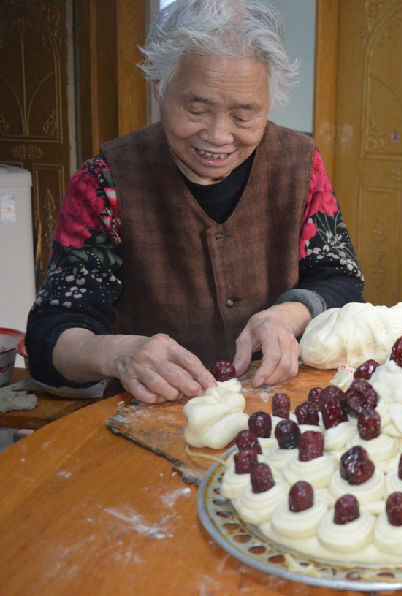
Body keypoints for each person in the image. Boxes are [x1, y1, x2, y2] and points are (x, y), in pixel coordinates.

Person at [25, 0, 364, 404]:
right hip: (148, 416)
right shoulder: (106, 181)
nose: (219, 136)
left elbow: (342, 283)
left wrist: (286, 315)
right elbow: (50, 335)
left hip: (276, 412)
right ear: (159, 88)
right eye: (196, 109)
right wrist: (119, 353)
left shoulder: (299, 163)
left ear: (269, 102)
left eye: (243, 116)